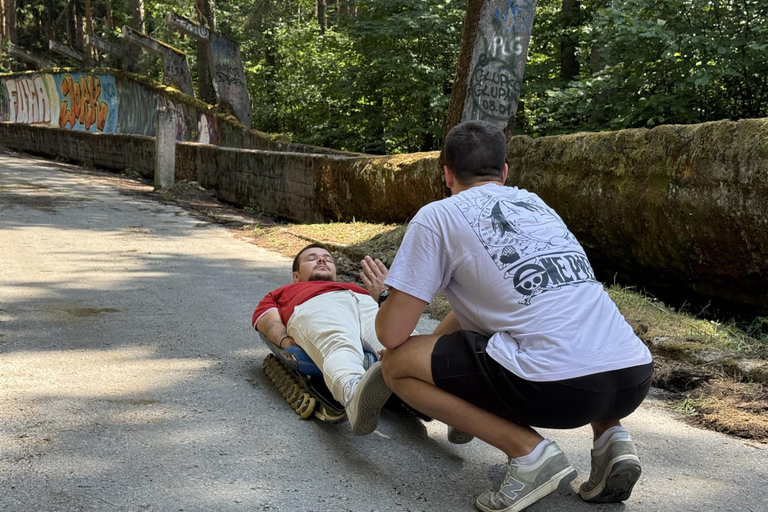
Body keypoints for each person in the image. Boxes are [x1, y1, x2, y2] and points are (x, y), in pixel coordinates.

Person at [372, 120, 654, 512]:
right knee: (560, 323)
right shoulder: (537, 205)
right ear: (505, 172)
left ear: (447, 174)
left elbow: (393, 334)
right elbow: (497, 309)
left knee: (397, 365)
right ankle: (612, 442)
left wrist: (385, 294)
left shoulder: (438, 216)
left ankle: (529, 453)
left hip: (561, 390)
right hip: (632, 377)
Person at [252, 243, 394, 436]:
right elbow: (265, 319)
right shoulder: (282, 293)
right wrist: (285, 341)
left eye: (328, 259)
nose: (321, 260)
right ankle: (353, 394)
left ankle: (441, 393)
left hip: (365, 302)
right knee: (339, 342)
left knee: (404, 343)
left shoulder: (359, 288)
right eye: (312, 258)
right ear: (296, 276)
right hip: (316, 305)